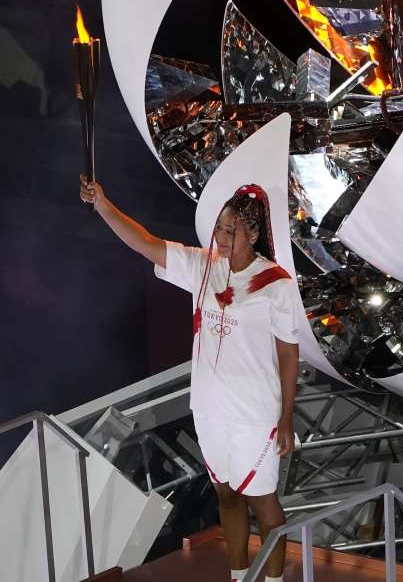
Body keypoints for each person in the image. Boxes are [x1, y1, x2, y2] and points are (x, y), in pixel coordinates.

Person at [80, 175, 299, 582]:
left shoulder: (277, 285)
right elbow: (145, 243)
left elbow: (288, 353)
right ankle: (238, 576)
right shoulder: (203, 267)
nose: (221, 236)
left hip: (255, 415)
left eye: (231, 231)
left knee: (263, 503)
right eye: (220, 227)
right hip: (211, 410)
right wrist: (104, 207)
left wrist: (286, 418)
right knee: (227, 496)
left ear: (253, 233)